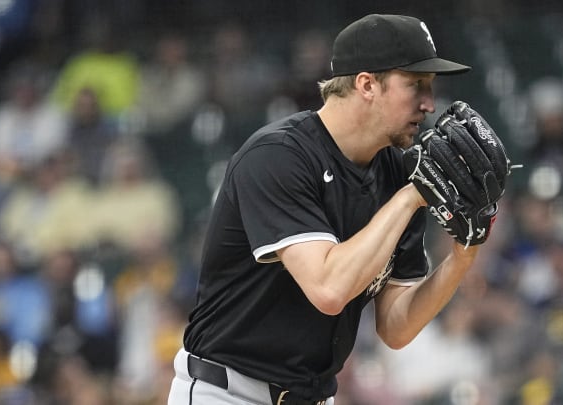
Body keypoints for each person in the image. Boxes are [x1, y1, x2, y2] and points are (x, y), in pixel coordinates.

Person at [167, 14, 495, 405]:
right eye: (415, 85)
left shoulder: (396, 170)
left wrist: (463, 255)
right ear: (367, 84)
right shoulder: (279, 157)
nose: (429, 103)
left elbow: (395, 327)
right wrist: (410, 197)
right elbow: (328, 289)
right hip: (228, 392)